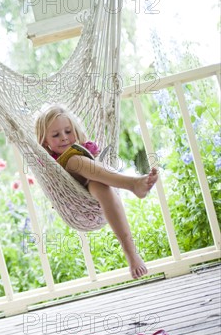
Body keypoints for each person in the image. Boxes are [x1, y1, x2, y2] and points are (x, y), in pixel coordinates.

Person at [35, 104, 158, 279]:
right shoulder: (50, 162)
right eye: (55, 135)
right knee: (75, 159)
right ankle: (132, 184)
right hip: (72, 191)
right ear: (45, 141)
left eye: (68, 131)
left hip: (90, 188)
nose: (64, 138)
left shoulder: (84, 147)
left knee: (104, 189)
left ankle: (132, 254)